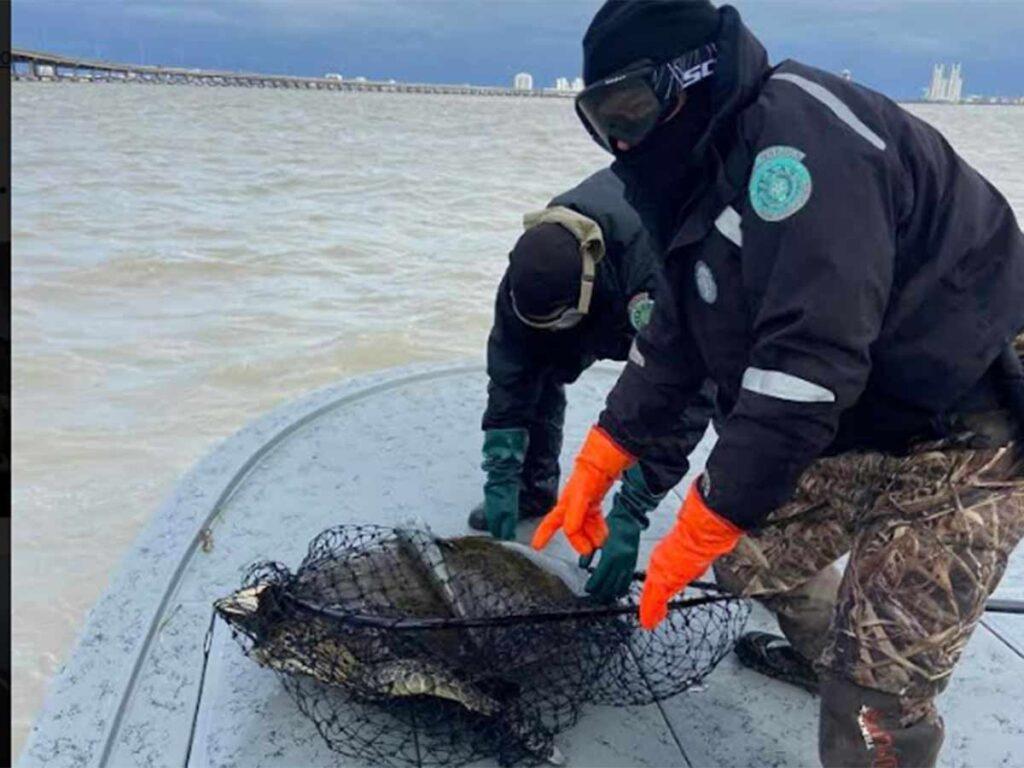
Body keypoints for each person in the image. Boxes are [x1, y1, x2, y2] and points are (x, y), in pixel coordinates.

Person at [531, 2, 1024, 765]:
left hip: (974, 416)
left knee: (876, 694)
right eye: (599, 118)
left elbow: (804, 369)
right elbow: (677, 328)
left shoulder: (802, 148)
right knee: (751, 560)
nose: (620, 138)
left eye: (630, 107)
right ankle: (832, 656)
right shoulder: (695, 166)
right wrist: (609, 446)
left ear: (691, 78)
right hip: (866, 407)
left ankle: (864, 685)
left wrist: (709, 509)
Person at [472, 167, 716, 600]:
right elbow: (511, 366)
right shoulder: (530, 268)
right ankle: (532, 489)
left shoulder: (654, 266)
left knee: (693, 390)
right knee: (536, 363)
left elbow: (688, 392)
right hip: (591, 303)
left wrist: (631, 511)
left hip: (657, 294)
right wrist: (501, 469)